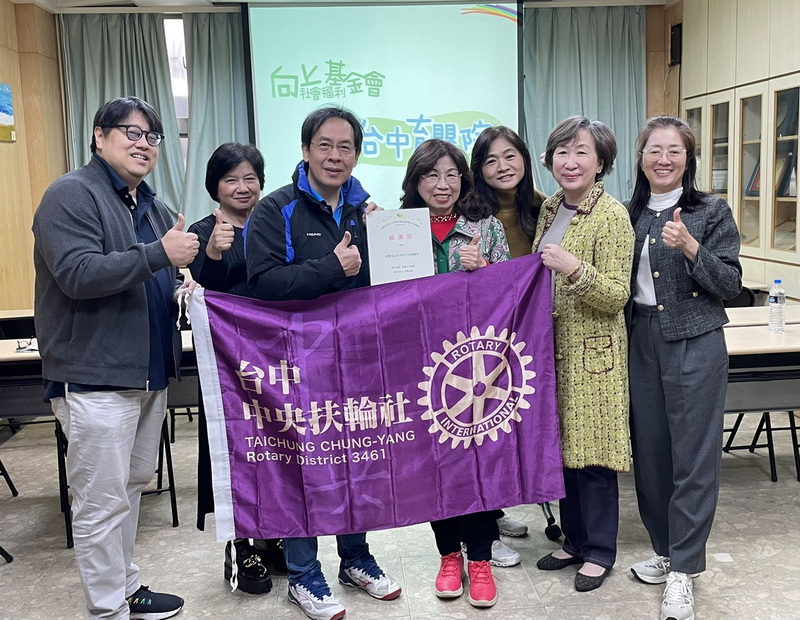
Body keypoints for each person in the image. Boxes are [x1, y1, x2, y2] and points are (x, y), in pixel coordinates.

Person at [32, 96, 198, 620]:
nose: (143, 144)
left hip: (147, 374)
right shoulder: (70, 194)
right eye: (131, 132)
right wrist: (160, 254)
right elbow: (78, 273)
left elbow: (156, 274)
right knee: (101, 502)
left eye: (152, 136)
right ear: (99, 136)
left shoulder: (149, 204)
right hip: (94, 377)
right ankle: (107, 610)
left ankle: (125, 587)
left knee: (129, 489)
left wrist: (182, 285)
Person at [245, 105, 401, 620]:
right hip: (296, 362)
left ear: (357, 154)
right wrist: (331, 267)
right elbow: (263, 284)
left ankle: (355, 558)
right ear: (306, 150)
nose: (335, 156)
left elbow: (389, 285)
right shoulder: (276, 209)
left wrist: (395, 244)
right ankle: (303, 575)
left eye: (346, 147)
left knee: (356, 458)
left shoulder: (367, 212)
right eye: (325, 146)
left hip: (357, 358)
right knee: (303, 465)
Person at [626, 116, 742, 620]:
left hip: (696, 341)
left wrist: (692, 247)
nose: (664, 159)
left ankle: (685, 568)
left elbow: (731, 284)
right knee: (650, 455)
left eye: (674, 150)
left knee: (693, 458)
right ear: (641, 158)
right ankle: (666, 550)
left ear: (688, 159)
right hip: (640, 339)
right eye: (655, 150)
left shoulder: (710, 211)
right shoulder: (626, 213)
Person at [400, 138, 510, 608]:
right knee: (435, 464)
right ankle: (448, 556)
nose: (442, 184)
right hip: (418, 363)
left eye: (451, 174)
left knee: (480, 460)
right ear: (416, 181)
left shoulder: (486, 227)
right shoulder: (398, 229)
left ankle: (481, 559)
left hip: (475, 366)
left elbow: (511, 293)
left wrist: (485, 268)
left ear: (464, 179)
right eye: (431, 175)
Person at [532, 116, 633, 592]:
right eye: (562, 152)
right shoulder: (552, 206)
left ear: (600, 162)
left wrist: (574, 269)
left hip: (594, 357)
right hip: (551, 350)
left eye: (581, 152)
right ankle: (574, 541)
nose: (570, 162)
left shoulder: (612, 215)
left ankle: (600, 551)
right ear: (549, 159)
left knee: (594, 457)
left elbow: (616, 296)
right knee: (564, 453)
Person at [188, 142, 286, 595]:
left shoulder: (275, 224)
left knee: (275, 446)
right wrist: (211, 254)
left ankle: (272, 535)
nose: (242, 187)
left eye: (250, 178)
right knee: (234, 448)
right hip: (229, 363)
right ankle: (240, 543)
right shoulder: (202, 231)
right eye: (231, 179)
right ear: (216, 186)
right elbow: (203, 291)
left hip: (275, 357)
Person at [469, 125, 546, 565]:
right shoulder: (472, 213)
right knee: (483, 431)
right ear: (478, 169)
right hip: (484, 340)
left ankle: (496, 510)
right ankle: (484, 526)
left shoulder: (544, 208)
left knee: (515, 429)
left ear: (525, 160)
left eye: (510, 156)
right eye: (491, 160)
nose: (502, 167)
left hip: (531, 335)